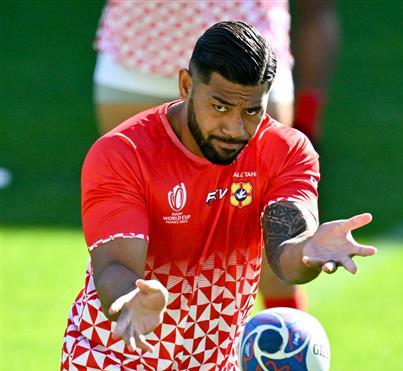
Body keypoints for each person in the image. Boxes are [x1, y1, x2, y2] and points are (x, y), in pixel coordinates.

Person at [60, 21, 375, 371]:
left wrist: (309, 252)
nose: (235, 127)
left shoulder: (286, 153)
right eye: (221, 106)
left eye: (252, 110)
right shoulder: (123, 154)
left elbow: (286, 251)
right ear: (187, 85)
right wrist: (127, 304)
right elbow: (114, 266)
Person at [92, 0, 340, 313]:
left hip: (251, 47)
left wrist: (304, 248)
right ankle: (140, 340)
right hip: (142, 39)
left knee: (266, 236)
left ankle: (285, 351)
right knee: (131, 224)